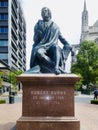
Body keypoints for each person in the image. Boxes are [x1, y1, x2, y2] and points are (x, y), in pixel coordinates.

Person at [30, 7, 72, 74]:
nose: (43, 12)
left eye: (45, 11)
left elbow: (63, 40)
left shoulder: (55, 26)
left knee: (56, 47)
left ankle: (56, 68)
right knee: (39, 52)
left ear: (49, 12)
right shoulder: (38, 25)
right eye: (42, 11)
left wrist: (69, 48)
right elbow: (35, 40)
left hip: (52, 47)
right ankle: (56, 67)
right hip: (42, 47)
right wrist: (37, 33)